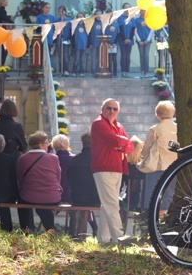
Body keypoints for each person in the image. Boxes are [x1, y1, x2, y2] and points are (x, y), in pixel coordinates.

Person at [90, 98, 134, 243]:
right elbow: (115, 141)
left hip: (117, 168)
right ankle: (119, 238)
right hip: (103, 167)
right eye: (109, 108)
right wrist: (121, 142)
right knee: (112, 203)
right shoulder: (98, 123)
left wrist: (120, 142)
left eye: (115, 109)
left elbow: (129, 146)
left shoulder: (118, 125)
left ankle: (103, 239)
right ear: (102, 109)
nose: (112, 111)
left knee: (108, 203)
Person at [16, 131, 62, 233]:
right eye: (46, 142)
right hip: (52, 196)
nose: (48, 144)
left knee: (23, 199)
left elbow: (20, 178)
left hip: (29, 196)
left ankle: (25, 229)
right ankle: (50, 229)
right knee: (44, 200)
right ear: (40, 145)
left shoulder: (23, 158)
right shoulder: (54, 158)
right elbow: (58, 177)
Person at [141, 101, 178, 209]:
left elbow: (146, 148)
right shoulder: (177, 128)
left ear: (158, 114)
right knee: (169, 195)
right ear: (173, 113)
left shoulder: (154, 129)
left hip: (157, 166)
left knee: (152, 195)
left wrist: (142, 154)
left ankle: (151, 219)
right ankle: (165, 219)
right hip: (173, 166)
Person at [67, 131, 100, 238]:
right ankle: (98, 231)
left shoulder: (74, 160)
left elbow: (69, 180)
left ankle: (73, 233)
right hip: (96, 200)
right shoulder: (98, 160)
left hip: (76, 198)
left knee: (80, 202)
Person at [51, 134, 74, 203]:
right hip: (71, 193)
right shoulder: (74, 158)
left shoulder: (51, 159)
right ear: (67, 144)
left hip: (55, 193)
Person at [0, 0, 16, 67]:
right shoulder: (2, 10)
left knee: (2, 52)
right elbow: (4, 18)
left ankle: (0, 67)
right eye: (6, 0)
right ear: (3, 2)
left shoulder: (1, 10)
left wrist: (9, 17)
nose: (7, 1)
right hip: (0, 33)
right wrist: (12, 22)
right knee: (2, 52)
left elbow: (4, 17)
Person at [133, 9, 154, 78]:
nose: (143, 13)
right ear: (140, 12)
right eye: (142, 12)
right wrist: (139, 40)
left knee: (146, 55)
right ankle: (142, 71)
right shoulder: (136, 20)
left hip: (147, 41)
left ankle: (146, 71)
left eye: (144, 12)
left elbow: (152, 30)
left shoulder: (149, 20)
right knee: (141, 55)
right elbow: (135, 31)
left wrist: (147, 40)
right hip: (140, 41)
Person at [117, 3, 135, 78]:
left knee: (128, 56)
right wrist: (124, 39)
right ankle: (123, 71)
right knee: (123, 56)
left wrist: (129, 39)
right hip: (122, 39)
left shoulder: (132, 18)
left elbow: (133, 29)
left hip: (130, 40)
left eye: (128, 8)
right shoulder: (120, 18)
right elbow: (120, 29)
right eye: (125, 8)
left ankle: (127, 71)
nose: (127, 9)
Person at [55, 5, 72, 76]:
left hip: (66, 41)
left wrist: (70, 38)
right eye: (59, 11)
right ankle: (60, 70)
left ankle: (66, 70)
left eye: (62, 11)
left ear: (65, 12)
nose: (60, 13)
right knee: (60, 56)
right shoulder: (57, 20)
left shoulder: (69, 20)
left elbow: (71, 30)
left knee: (65, 56)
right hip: (59, 40)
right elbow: (55, 30)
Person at [72, 12, 89, 77]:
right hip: (77, 45)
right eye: (78, 17)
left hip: (84, 45)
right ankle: (74, 71)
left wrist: (88, 44)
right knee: (77, 59)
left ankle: (82, 72)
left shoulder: (86, 26)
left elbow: (88, 35)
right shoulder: (75, 26)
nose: (80, 18)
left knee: (82, 59)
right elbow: (72, 35)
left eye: (81, 16)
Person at [88, 10, 104, 76]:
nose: (98, 16)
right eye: (97, 14)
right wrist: (90, 43)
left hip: (102, 44)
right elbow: (89, 33)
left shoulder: (103, 23)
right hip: (94, 43)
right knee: (93, 57)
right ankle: (93, 71)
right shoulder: (92, 23)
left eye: (100, 14)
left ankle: (99, 70)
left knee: (100, 58)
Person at [104, 12, 120, 77]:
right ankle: (110, 72)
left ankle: (115, 73)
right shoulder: (106, 24)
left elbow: (118, 34)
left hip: (114, 44)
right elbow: (104, 33)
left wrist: (114, 43)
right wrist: (107, 43)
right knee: (109, 59)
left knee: (114, 59)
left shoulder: (116, 24)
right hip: (107, 44)